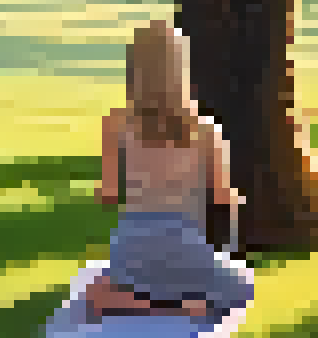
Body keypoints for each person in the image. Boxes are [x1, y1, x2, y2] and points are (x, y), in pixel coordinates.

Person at [79, 21, 258, 321]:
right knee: (242, 285)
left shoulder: (116, 122)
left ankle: (143, 305)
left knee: (105, 284)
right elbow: (222, 196)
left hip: (131, 248)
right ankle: (179, 305)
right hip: (185, 246)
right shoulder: (205, 129)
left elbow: (108, 194)